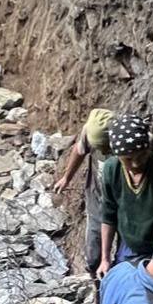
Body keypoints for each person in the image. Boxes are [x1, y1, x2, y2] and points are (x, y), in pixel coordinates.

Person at [99, 115, 153, 276]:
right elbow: (108, 215)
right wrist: (104, 259)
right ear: (117, 155)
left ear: (148, 149)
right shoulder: (112, 170)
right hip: (127, 245)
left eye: (141, 155)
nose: (136, 163)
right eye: (128, 159)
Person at [53, 107, 116, 275]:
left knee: (125, 257)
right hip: (97, 200)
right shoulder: (90, 131)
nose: (101, 151)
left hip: (123, 205)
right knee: (94, 254)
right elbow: (79, 150)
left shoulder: (126, 140)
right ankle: (96, 284)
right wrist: (66, 178)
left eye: (104, 147)